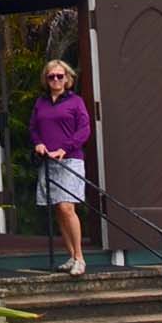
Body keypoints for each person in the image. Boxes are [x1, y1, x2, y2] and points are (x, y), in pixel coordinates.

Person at [31, 59, 92, 276]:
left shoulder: (76, 102)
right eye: (51, 76)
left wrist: (65, 149)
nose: (56, 80)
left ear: (67, 78)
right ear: (46, 80)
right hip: (48, 162)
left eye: (59, 76)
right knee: (58, 208)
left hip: (70, 160)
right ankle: (70, 255)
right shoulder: (41, 102)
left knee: (67, 207)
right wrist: (38, 143)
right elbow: (34, 128)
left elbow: (84, 129)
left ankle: (79, 257)